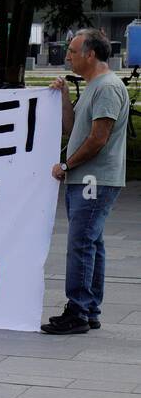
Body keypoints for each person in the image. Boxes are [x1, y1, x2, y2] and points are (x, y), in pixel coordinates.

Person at [43, 29, 130, 335]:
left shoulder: (107, 87)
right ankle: (89, 308)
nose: (67, 56)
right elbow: (72, 129)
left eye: (72, 51)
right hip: (88, 177)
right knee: (92, 242)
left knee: (80, 242)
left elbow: (98, 139)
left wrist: (67, 164)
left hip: (95, 178)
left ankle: (77, 310)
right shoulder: (94, 86)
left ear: (90, 54)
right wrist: (65, 98)